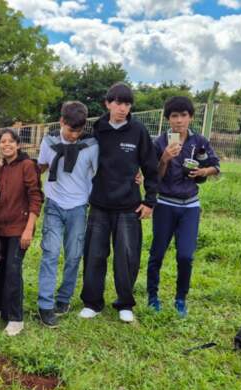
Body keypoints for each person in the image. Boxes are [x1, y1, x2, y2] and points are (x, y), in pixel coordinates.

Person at [80, 82, 159, 324]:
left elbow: (151, 167)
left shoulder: (138, 131)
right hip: (100, 205)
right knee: (94, 255)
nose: (122, 108)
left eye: (126, 103)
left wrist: (149, 200)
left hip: (128, 206)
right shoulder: (98, 129)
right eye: (117, 103)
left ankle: (124, 303)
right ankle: (92, 303)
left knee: (127, 257)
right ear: (107, 103)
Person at [147, 96, 220, 317]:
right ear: (168, 119)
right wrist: (164, 159)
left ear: (191, 117)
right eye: (174, 116)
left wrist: (203, 172)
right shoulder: (159, 143)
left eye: (183, 115)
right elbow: (153, 177)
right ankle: (152, 297)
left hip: (190, 206)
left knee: (186, 256)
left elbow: (215, 166)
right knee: (157, 253)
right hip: (165, 204)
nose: (179, 121)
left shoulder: (199, 142)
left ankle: (180, 299)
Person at [36, 101, 98, 328]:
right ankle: (45, 304)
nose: (75, 135)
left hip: (79, 207)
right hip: (53, 205)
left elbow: (100, 170)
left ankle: (64, 298)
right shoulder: (49, 141)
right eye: (71, 130)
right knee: (50, 253)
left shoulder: (90, 144)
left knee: (73, 255)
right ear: (62, 122)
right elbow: (41, 166)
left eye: (79, 130)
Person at [0, 128, 43, 336]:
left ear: (18, 145)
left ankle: (15, 318)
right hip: (0, 227)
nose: (6, 145)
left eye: (10, 142)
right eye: (2, 142)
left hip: (19, 229)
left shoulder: (27, 166)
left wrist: (29, 229)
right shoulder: (2, 169)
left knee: (13, 270)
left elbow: (36, 197)